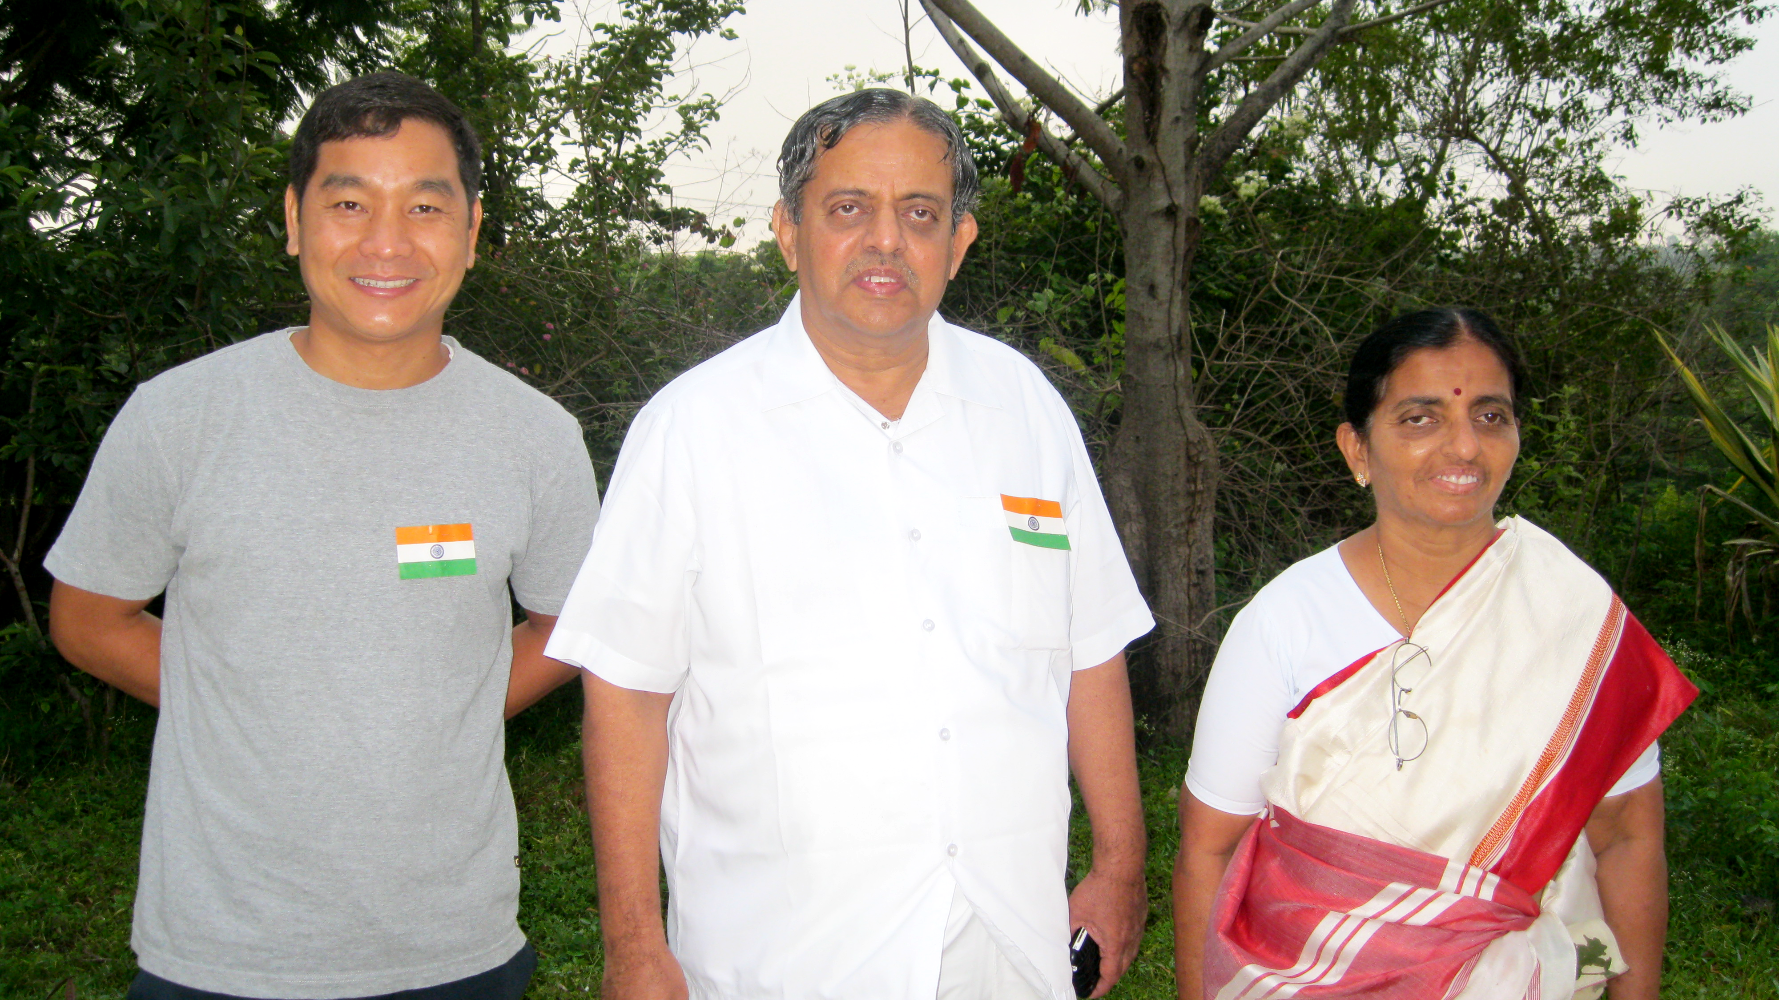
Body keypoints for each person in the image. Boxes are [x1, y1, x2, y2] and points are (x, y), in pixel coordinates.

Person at [543, 88, 1155, 1000]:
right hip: (787, 957)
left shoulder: (1023, 406)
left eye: (919, 213)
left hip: (1005, 941)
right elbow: (626, 693)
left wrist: (1120, 863)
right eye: (847, 209)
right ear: (789, 232)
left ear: (959, 242)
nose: (885, 241)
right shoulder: (694, 429)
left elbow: (1089, 647)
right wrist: (634, 944)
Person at [44, 72, 598, 1000]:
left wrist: (431, 716)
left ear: (470, 230)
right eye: (349, 202)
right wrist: (254, 713)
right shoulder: (180, 416)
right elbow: (90, 618)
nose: (386, 241)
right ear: (295, 221)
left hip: (452, 948)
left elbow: (567, 623)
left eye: (425, 204)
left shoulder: (534, 435)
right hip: (218, 953)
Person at [1172, 308, 1696, 1000]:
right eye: (1419, 419)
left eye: (1489, 417)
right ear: (1356, 449)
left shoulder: (1568, 612)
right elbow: (1210, 847)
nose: (1463, 448)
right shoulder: (1286, 619)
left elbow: (1628, 835)